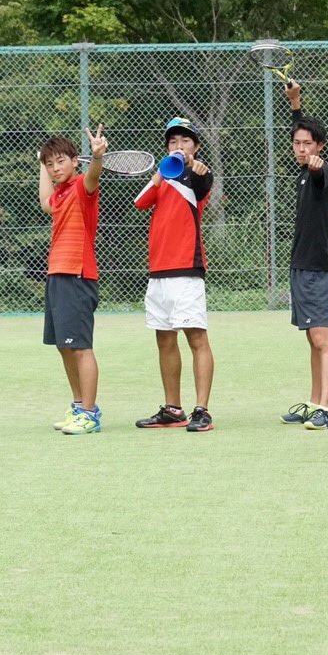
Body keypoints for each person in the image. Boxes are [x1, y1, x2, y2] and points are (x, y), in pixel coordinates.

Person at [132, 117, 217, 433]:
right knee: (164, 339)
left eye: (185, 141)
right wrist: (160, 173)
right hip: (158, 273)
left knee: (196, 338)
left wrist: (190, 165)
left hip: (186, 272)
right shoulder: (163, 178)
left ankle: (202, 410)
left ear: (195, 146)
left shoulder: (198, 175)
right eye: (172, 142)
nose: (178, 146)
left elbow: (205, 184)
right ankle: (172, 409)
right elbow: (140, 203)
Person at [38, 128, 107, 434]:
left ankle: (90, 414)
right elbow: (44, 202)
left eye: (60, 161)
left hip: (78, 276)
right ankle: (79, 406)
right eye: (50, 164)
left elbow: (93, 175)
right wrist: (41, 163)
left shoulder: (81, 186)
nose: (56, 168)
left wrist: (97, 156)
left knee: (80, 347)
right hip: (56, 276)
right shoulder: (60, 193)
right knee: (64, 347)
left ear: (74, 162)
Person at [278, 81, 328, 431]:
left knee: (321, 338)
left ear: (320, 147)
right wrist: (296, 103)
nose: (301, 148)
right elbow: (299, 128)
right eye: (297, 143)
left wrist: (316, 166)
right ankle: (314, 402)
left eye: (308, 144)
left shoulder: (321, 173)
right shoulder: (303, 170)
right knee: (310, 338)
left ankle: (325, 409)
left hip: (317, 268)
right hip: (300, 267)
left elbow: (320, 173)